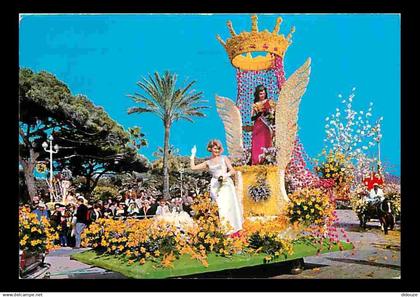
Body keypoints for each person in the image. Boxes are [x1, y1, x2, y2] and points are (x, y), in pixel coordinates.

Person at [190, 140, 243, 236]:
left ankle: (232, 230)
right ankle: (222, 231)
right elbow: (193, 167)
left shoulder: (224, 158)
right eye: (215, 148)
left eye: (219, 148)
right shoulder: (208, 162)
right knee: (219, 208)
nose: (217, 150)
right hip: (215, 185)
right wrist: (192, 155)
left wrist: (224, 176)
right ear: (210, 149)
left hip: (226, 184)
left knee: (227, 207)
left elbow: (232, 171)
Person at [250, 84, 276, 165]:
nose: (262, 95)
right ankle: (256, 162)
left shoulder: (270, 102)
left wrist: (270, 115)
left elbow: (275, 114)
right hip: (258, 126)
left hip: (267, 126)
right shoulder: (255, 105)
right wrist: (259, 113)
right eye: (260, 93)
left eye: (263, 93)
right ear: (257, 94)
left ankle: (267, 160)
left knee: (267, 142)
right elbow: (252, 118)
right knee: (257, 143)